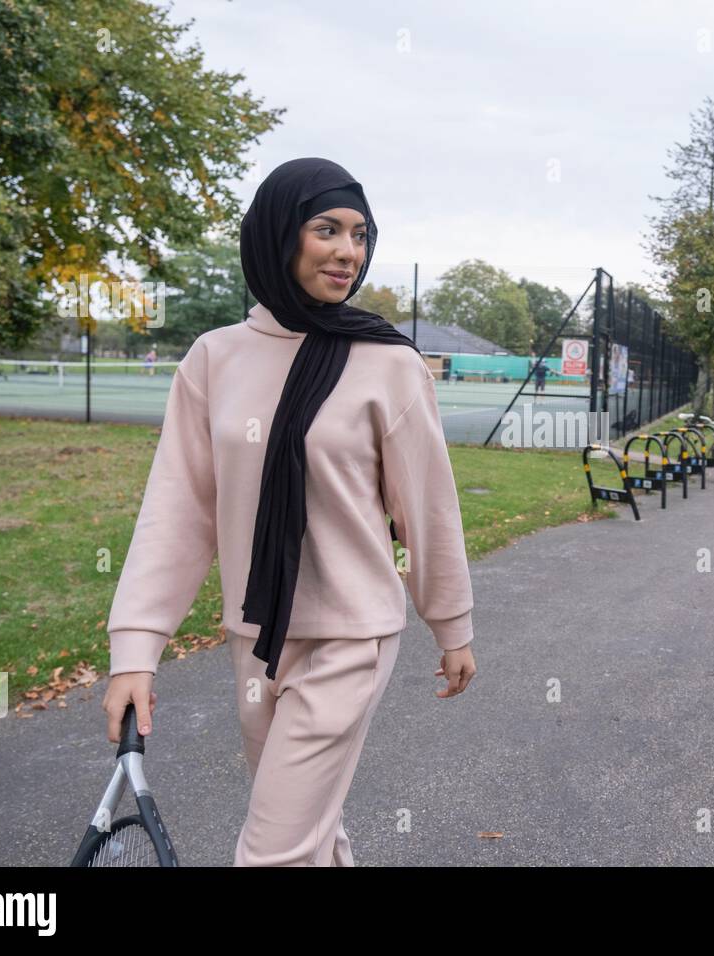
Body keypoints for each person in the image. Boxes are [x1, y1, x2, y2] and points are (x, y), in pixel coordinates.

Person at [102, 157, 478, 867]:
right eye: (327, 229)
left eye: (361, 234)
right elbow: (178, 512)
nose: (348, 251)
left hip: (351, 636)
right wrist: (136, 651)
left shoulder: (387, 363)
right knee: (311, 832)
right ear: (278, 234)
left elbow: (428, 508)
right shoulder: (214, 359)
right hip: (256, 638)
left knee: (272, 852)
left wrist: (450, 625)